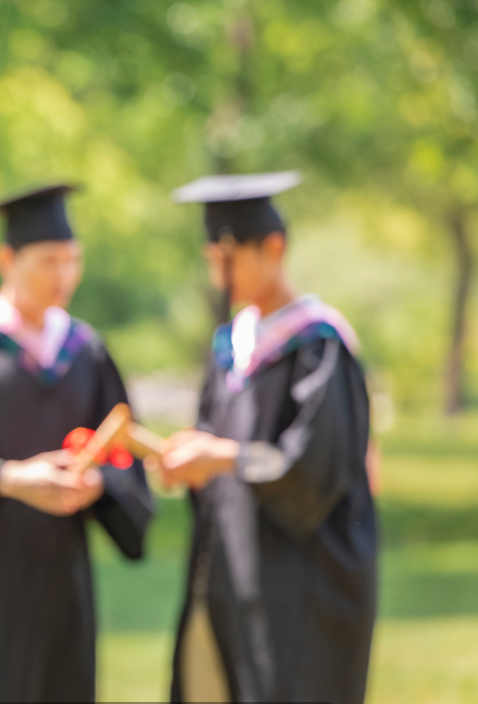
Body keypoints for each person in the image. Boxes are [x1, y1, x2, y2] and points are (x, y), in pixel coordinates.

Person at [0, 184, 153, 702]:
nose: (64, 276)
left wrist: (100, 482)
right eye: (49, 262)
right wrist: (12, 478)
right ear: (6, 259)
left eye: (73, 261)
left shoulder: (85, 351)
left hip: (65, 578)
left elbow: (126, 457)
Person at [156, 171, 376, 704]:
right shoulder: (231, 344)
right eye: (212, 260)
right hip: (233, 575)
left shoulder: (319, 343)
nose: (218, 276)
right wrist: (190, 464)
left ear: (273, 247)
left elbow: (314, 468)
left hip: (303, 583)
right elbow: (214, 444)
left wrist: (223, 457)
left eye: (227, 260)